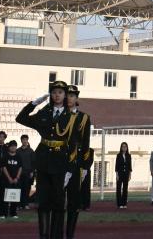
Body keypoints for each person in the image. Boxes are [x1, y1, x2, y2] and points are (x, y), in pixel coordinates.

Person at [16, 80, 75, 239]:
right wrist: (34, 104)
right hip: (43, 162)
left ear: (65, 95)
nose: (57, 95)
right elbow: (20, 118)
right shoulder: (44, 113)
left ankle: (56, 235)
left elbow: (73, 146)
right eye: (54, 92)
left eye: (60, 92)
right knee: (43, 203)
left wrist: (70, 169)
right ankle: (44, 235)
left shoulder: (71, 117)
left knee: (58, 203)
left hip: (60, 162)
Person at [62, 86, 92, 239]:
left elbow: (86, 142)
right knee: (58, 201)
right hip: (60, 162)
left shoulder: (84, 118)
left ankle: (70, 234)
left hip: (77, 163)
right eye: (67, 95)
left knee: (73, 202)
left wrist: (85, 166)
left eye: (72, 95)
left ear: (77, 98)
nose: (69, 98)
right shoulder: (59, 115)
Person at [0, 141, 23, 219]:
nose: (13, 147)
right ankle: (3, 213)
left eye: (15, 146)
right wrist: (9, 178)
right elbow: (4, 168)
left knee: (14, 196)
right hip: (6, 180)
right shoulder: (5, 156)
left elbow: (20, 168)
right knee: (5, 196)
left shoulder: (18, 157)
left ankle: (13, 213)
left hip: (16, 180)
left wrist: (17, 178)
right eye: (12, 146)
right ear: (9, 147)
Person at [17, 135, 34, 208]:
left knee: (27, 189)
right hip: (19, 173)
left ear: (27, 140)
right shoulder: (18, 151)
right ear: (21, 140)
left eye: (26, 139)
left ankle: (26, 204)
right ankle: (19, 204)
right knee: (19, 188)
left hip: (28, 173)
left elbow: (33, 162)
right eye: (23, 139)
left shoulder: (31, 151)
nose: (24, 141)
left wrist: (32, 171)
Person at [114, 143, 131, 209]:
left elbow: (129, 166)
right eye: (123, 146)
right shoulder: (118, 155)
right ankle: (119, 204)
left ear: (127, 148)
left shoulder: (129, 156)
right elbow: (117, 166)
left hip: (126, 174)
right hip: (120, 174)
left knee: (125, 189)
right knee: (118, 189)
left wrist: (129, 175)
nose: (124, 148)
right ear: (121, 148)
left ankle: (124, 204)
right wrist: (117, 175)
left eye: (125, 146)